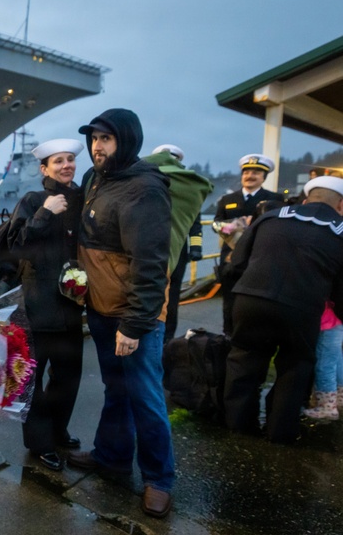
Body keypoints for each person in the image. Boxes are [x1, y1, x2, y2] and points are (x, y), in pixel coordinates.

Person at [65, 108, 176, 519]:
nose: (97, 146)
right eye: (94, 138)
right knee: (116, 389)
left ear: (126, 141)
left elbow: (150, 264)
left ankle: (159, 479)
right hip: (101, 306)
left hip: (134, 316)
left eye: (106, 139)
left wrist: (135, 324)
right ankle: (111, 457)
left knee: (146, 397)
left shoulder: (144, 190)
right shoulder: (98, 180)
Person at [222, 175, 343, 443]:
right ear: (341, 204)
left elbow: (238, 261)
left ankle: (239, 426)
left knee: (244, 359)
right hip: (301, 308)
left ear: (308, 198)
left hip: (250, 299)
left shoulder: (271, 217)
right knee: (295, 367)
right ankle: (280, 432)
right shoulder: (340, 230)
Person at [7, 138, 85, 471]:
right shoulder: (33, 200)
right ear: (44, 169)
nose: (66, 165)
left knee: (69, 375)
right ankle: (40, 443)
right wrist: (43, 213)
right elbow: (15, 245)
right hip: (38, 306)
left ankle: (58, 429)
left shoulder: (83, 200)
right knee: (34, 379)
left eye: (70, 159)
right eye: (58, 161)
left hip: (72, 304)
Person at [144, 144, 212, 343]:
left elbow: (195, 223)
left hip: (177, 252)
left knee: (171, 299)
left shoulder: (188, 191)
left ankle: (167, 340)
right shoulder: (146, 185)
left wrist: (196, 248)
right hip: (149, 249)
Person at [213, 154, 284, 334]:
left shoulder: (274, 200)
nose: (250, 176)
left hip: (258, 258)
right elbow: (215, 223)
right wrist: (230, 226)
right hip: (230, 257)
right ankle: (228, 338)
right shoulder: (227, 200)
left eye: (255, 172)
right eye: (246, 172)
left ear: (263, 177)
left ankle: (250, 340)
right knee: (229, 301)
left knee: (254, 301)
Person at [304, 301, 343, 421]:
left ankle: (327, 407)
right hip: (337, 322)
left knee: (324, 365)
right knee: (336, 360)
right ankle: (339, 398)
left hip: (327, 323)